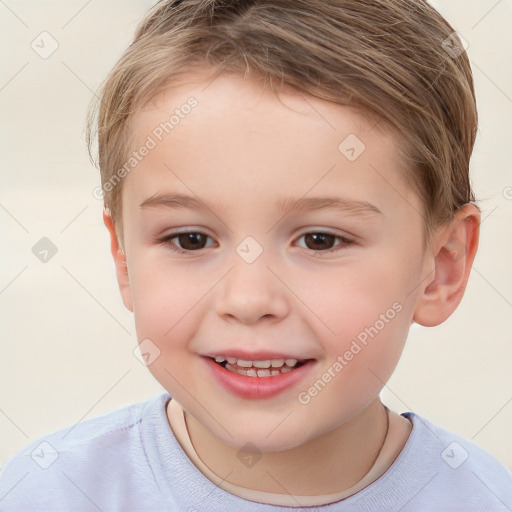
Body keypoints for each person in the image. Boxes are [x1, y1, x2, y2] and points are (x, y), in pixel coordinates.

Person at [1, 0, 511, 510]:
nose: (247, 300)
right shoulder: (47, 493)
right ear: (125, 260)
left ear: (442, 266)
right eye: (190, 240)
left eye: (320, 240)